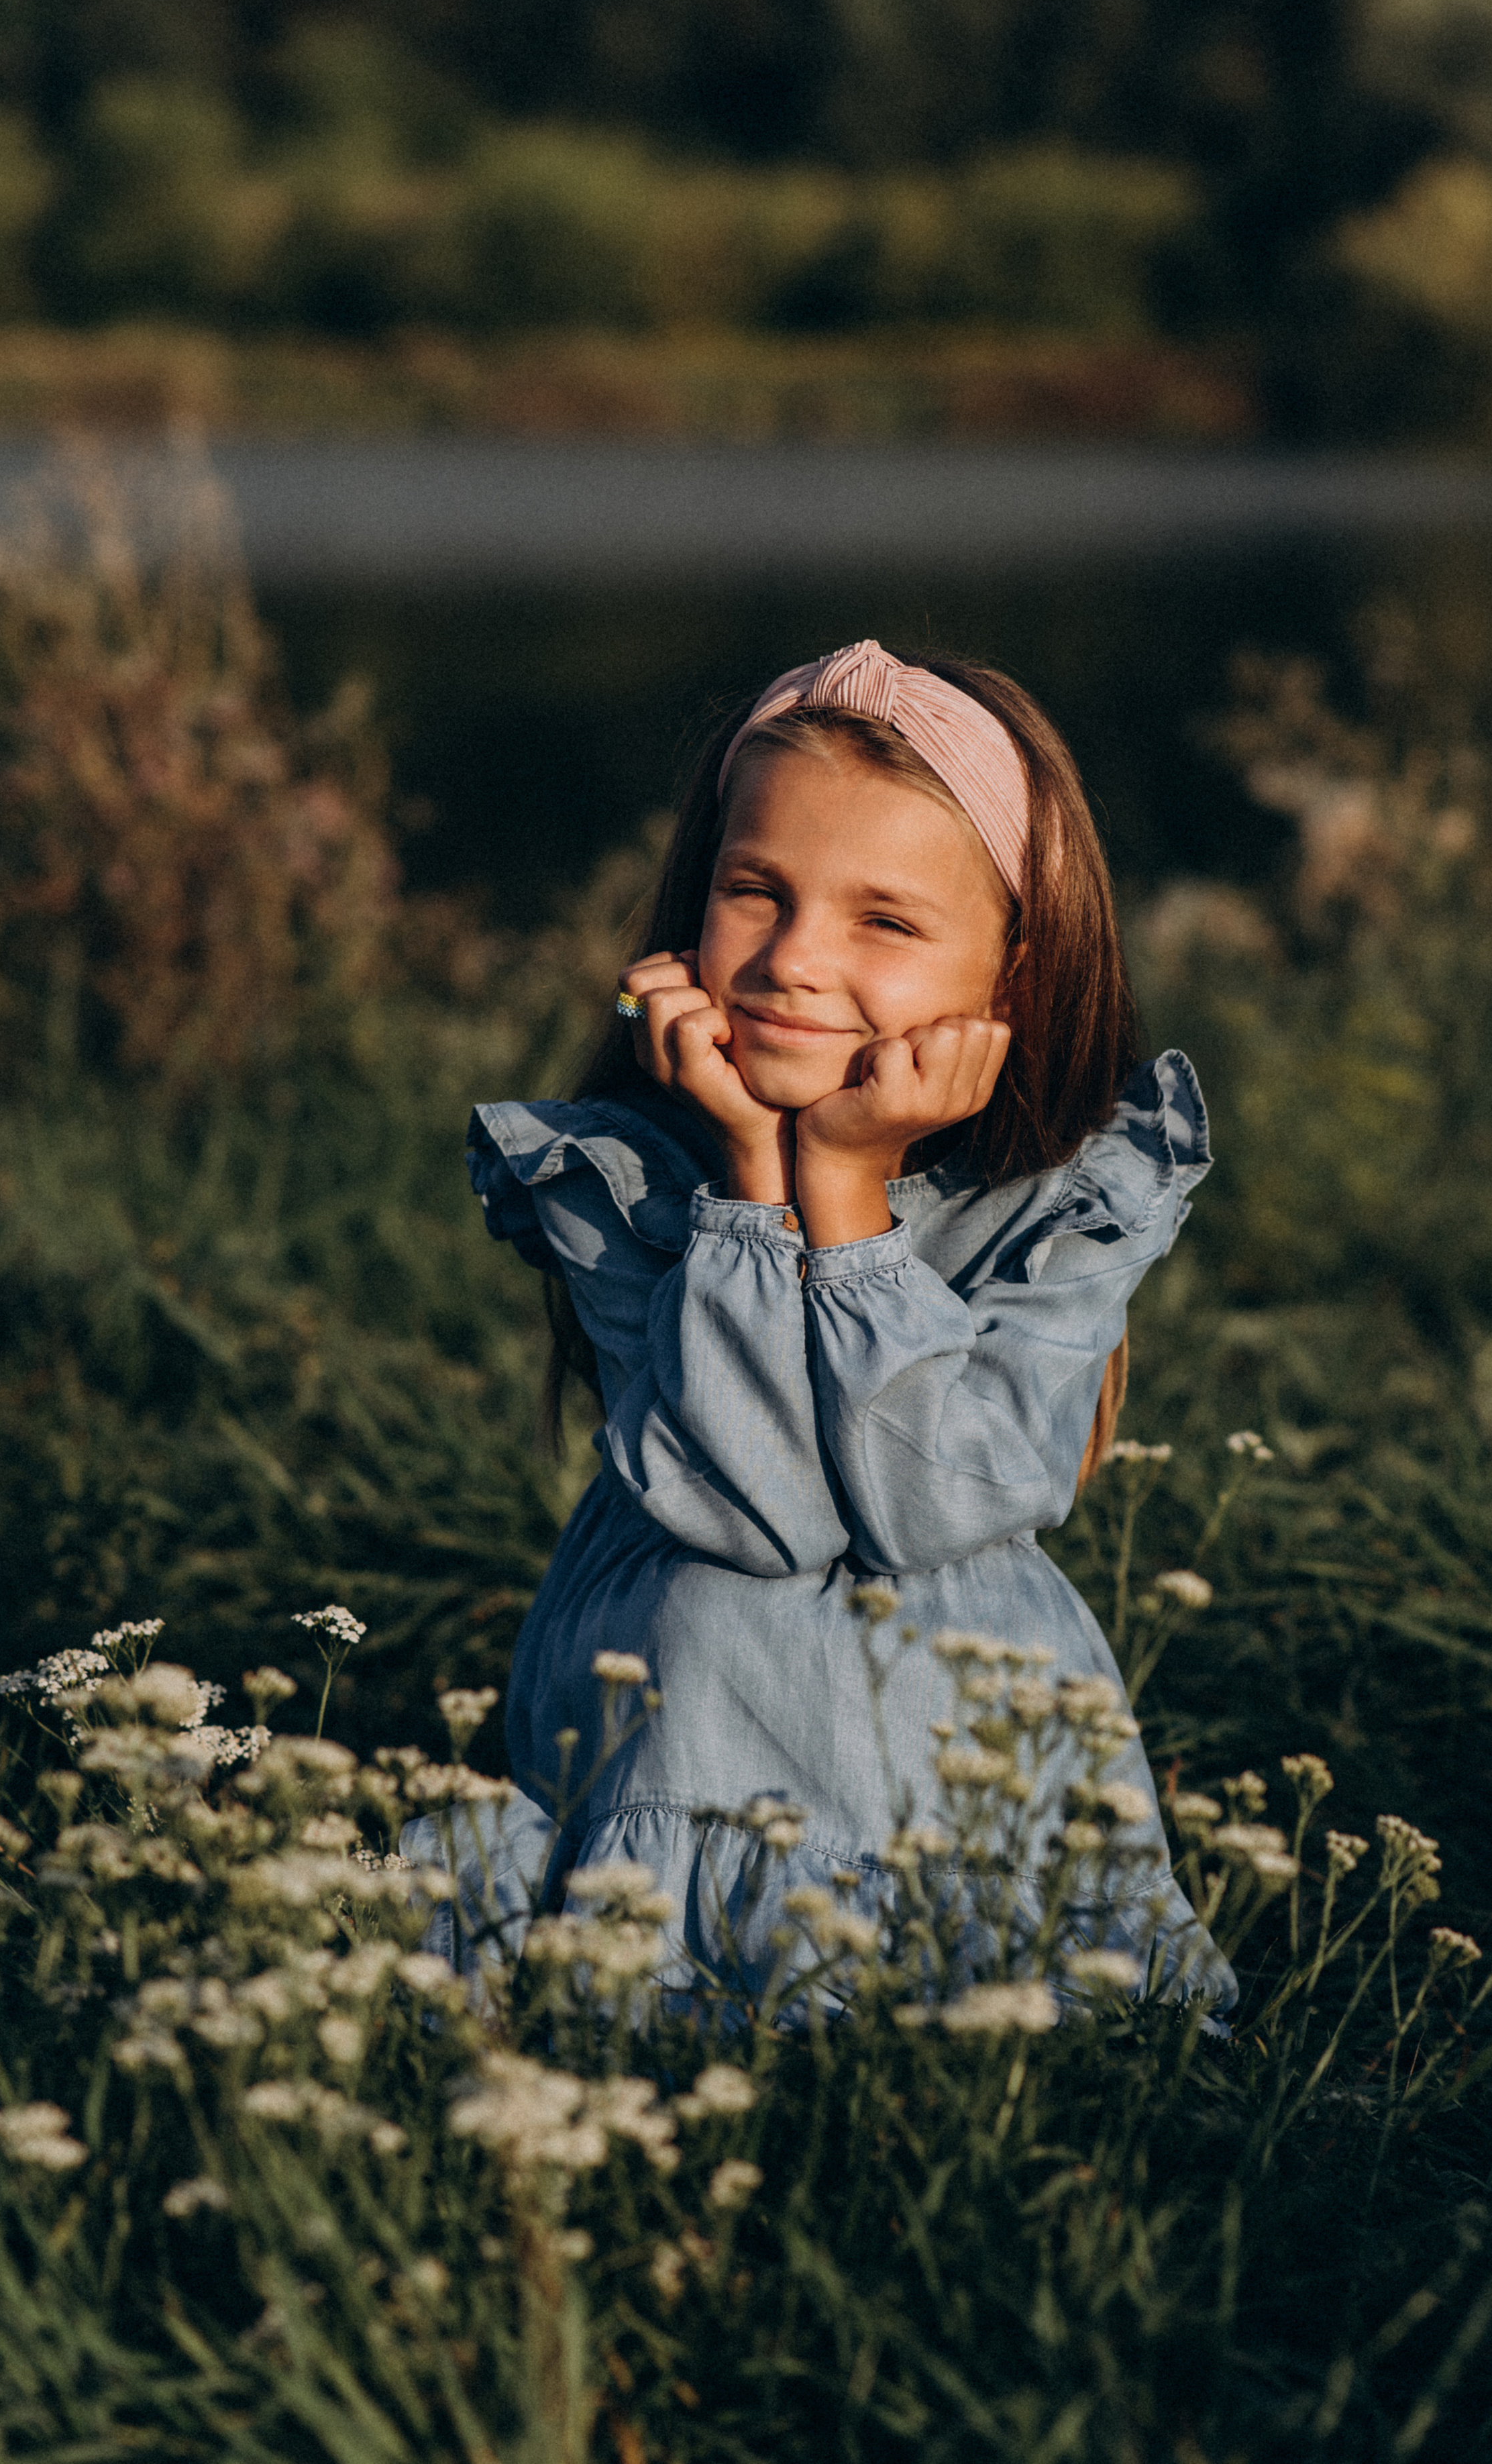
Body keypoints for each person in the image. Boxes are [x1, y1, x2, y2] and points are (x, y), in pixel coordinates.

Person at [413, 639, 1234, 2015]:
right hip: (688, 1696)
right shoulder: (622, 1183)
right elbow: (754, 1514)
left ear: (1012, 982)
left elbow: (927, 1503)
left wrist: (843, 1193)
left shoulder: (1063, 1205)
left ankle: (903, 1941)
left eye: (884, 922)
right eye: (756, 893)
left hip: (937, 1739)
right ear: (691, 911)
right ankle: (678, 1937)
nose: (793, 962)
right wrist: (749, 1178)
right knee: (726, 1608)